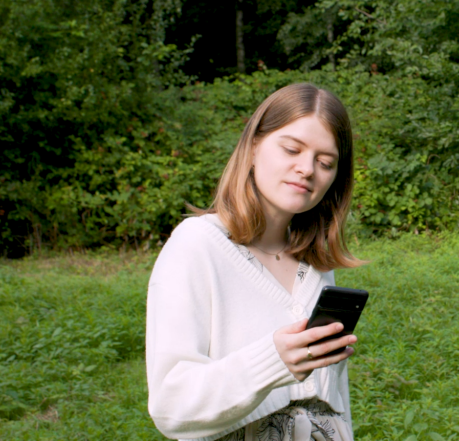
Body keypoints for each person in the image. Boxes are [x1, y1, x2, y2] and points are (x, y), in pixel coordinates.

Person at [146, 83, 364, 441]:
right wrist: (272, 362)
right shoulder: (197, 245)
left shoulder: (317, 266)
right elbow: (172, 406)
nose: (306, 169)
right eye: (291, 149)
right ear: (252, 148)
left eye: (325, 162)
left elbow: (335, 403)